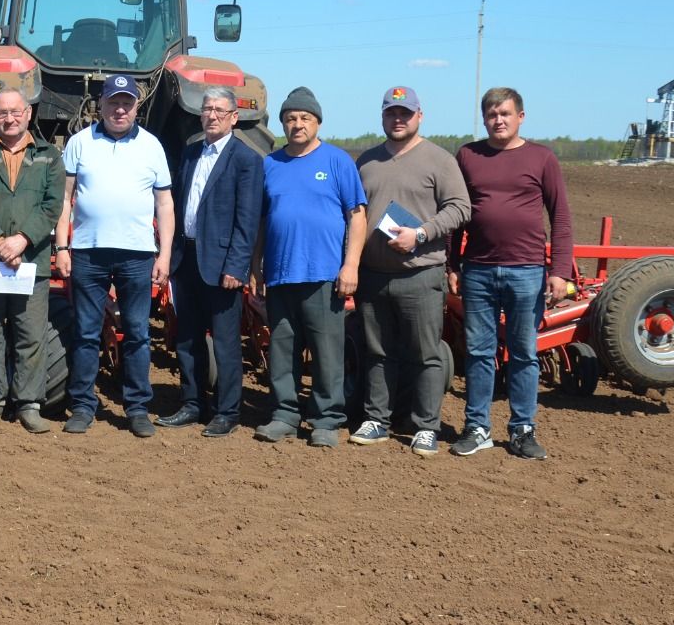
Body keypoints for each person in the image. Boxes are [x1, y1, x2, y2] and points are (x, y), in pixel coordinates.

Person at [448, 87, 573, 461]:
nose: (497, 120)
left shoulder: (542, 158)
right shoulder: (469, 155)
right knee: (479, 353)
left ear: (521, 116)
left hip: (527, 271)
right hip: (479, 270)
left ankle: (522, 429)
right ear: (484, 118)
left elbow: (561, 217)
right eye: (491, 114)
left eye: (504, 113)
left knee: (523, 353)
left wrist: (559, 271)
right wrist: (452, 263)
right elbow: (456, 215)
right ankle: (477, 427)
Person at [350, 86, 470, 457]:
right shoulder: (366, 161)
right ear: (383, 117)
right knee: (376, 352)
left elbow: (460, 207)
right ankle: (377, 420)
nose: (398, 119)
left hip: (421, 274)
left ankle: (425, 426)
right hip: (373, 274)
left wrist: (421, 233)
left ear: (420, 115)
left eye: (405, 113)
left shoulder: (439, 160)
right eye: (391, 113)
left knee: (425, 354)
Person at [55, 74, 173, 438]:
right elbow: (64, 199)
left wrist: (164, 254)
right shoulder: (79, 143)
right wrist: (62, 246)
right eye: (113, 102)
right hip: (89, 252)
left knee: (137, 332)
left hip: (137, 254)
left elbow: (164, 203)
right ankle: (83, 405)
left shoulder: (153, 146)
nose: (120, 109)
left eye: (127, 103)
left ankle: (137, 407)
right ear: (101, 105)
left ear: (137, 106)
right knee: (87, 332)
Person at [254, 86, 367, 448]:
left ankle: (326, 419)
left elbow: (357, 215)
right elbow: (261, 220)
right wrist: (256, 266)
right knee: (282, 348)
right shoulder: (270, 164)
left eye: (304, 118)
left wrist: (350, 265)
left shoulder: (337, 162)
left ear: (317, 121)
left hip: (324, 273)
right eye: (290, 119)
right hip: (281, 272)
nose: (297, 124)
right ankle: (285, 414)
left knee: (327, 350)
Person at [0, 90, 65, 434]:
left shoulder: (49, 156)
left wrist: (23, 239)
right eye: (2, 112)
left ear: (29, 114)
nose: (9, 118)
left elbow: (52, 205)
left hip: (31, 260)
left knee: (30, 333)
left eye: (16, 112)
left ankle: (29, 403)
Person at [158, 87, 263, 437]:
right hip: (186, 258)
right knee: (187, 337)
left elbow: (247, 220)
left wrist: (236, 266)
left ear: (234, 117)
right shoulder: (189, 153)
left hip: (221, 266)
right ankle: (192, 403)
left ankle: (227, 411)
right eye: (207, 109)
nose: (212, 115)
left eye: (220, 110)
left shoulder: (246, 159)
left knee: (225, 341)